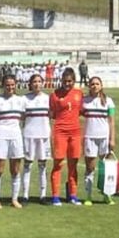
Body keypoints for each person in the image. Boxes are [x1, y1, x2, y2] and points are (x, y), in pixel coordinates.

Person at [49, 67, 84, 206]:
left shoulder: (79, 94)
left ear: (74, 81)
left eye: (70, 81)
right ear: (61, 80)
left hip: (75, 132)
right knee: (58, 163)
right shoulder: (55, 95)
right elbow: (52, 114)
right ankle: (55, 196)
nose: (67, 83)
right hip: (60, 132)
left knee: (73, 164)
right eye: (65, 81)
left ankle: (73, 195)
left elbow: (81, 110)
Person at [81, 75, 117, 205]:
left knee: (105, 168)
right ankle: (88, 195)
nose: (95, 86)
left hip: (104, 138)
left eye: (97, 84)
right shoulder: (84, 101)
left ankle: (107, 194)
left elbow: (112, 122)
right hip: (90, 137)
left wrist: (112, 139)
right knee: (90, 167)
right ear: (89, 86)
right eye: (92, 84)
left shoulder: (108, 101)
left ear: (101, 86)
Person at [0, 74, 25, 209]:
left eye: (12, 85)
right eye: (7, 85)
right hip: (0, 135)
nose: (10, 87)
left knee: (15, 169)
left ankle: (14, 199)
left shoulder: (20, 101)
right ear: (3, 85)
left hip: (16, 135)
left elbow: (23, 117)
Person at [22, 73, 52, 204]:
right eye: (34, 81)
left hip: (44, 135)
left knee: (42, 165)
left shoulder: (48, 98)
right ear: (30, 84)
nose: (37, 84)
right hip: (29, 135)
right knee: (27, 165)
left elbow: (51, 115)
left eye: (39, 81)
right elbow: (21, 117)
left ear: (43, 83)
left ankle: (43, 195)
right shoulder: (24, 99)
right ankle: (25, 195)